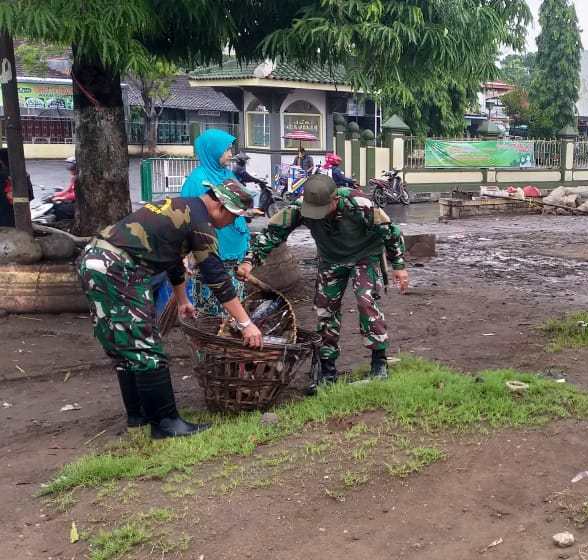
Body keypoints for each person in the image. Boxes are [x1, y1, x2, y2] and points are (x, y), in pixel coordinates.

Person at [76, 181, 261, 439]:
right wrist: (245, 323)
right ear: (220, 206)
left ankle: (138, 417)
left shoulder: (182, 208)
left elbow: (172, 261)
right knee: (146, 346)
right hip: (118, 267)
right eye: (233, 216)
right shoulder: (201, 223)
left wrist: (183, 300)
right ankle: (166, 423)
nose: (231, 223)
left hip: (95, 260)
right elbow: (216, 276)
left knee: (125, 343)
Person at [239, 175, 409, 390]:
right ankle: (327, 370)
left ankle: (379, 364)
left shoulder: (359, 204)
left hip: (364, 256)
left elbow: (390, 232)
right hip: (331, 259)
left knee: (366, 301)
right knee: (325, 310)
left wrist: (399, 265)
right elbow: (273, 233)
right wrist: (250, 260)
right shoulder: (300, 208)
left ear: (335, 199)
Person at [179, 129, 249, 316]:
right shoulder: (197, 181)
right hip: (211, 252)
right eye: (226, 149)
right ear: (212, 151)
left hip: (235, 253)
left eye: (230, 149)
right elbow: (189, 220)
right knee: (213, 309)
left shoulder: (228, 175)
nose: (230, 154)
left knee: (234, 306)